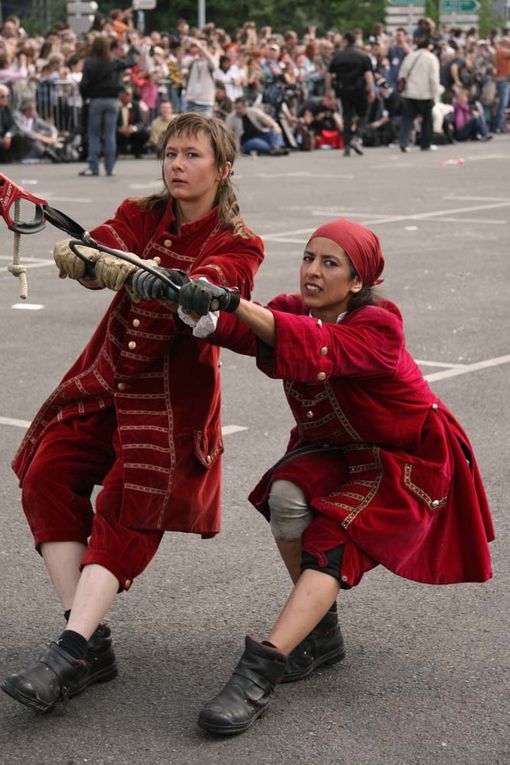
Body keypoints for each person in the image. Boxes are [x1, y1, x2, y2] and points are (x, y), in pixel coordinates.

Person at [140, 217, 494, 735]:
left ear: (356, 282)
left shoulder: (380, 326)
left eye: (330, 263)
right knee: (286, 498)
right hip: (336, 448)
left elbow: (312, 344)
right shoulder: (290, 309)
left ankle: (260, 671)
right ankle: (320, 635)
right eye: (309, 257)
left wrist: (233, 301)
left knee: (332, 535)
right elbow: (246, 329)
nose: (312, 270)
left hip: (404, 456)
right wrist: (186, 298)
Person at [0, 113, 264, 714]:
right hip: (106, 377)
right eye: (170, 153)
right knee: (46, 475)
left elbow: (225, 282)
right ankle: (88, 642)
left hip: (172, 403)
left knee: (127, 506)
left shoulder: (239, 242)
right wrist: (85, 257)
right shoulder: (141, 213)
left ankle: (70, 652)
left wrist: (198, 291)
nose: (176, 164)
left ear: (222, 169)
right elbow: (99, 250)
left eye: (192, 155)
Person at [79, 36, 138, 177]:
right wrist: (133, 49)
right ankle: (110, 168)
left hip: (96, 99)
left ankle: (94, 166)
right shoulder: (114, 61)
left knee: (94, 134)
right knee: (110, 134)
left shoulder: (89, 62)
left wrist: (85, 96)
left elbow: (83, 83)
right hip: (112, 100)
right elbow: (130, 63)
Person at [327, 30, 375, 157]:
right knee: (363, 114)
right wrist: (371, 89)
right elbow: (368, 74)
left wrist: (328, 91)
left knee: (347, 117)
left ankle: (347, 145)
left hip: (343, 89)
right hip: (359, 89)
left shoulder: (338, 56)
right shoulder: (363, 56)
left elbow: (329, 75)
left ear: (345, 40)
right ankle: (357, 137)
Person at [399, 28, 440, 152]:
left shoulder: (410, 56)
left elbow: (402, 75)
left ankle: (404, 142)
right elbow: (434, 80)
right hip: (425, 94)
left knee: (407, 119)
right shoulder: (432, 58)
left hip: (410, 93)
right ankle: (425, 144)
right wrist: (435, 96)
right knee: (427, 120)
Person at [116, 85, 150, 158]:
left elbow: (141, 123)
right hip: (119, 133)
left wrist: (134, 128)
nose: (130, 96)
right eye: (127, 94)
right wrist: (119, 129)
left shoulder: (135, 105)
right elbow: (109, 124)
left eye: (131, 94)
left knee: (145, 132)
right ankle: (115, 152)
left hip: (131, 132)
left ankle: (136, 151)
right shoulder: (115, 106)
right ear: (120, 95)